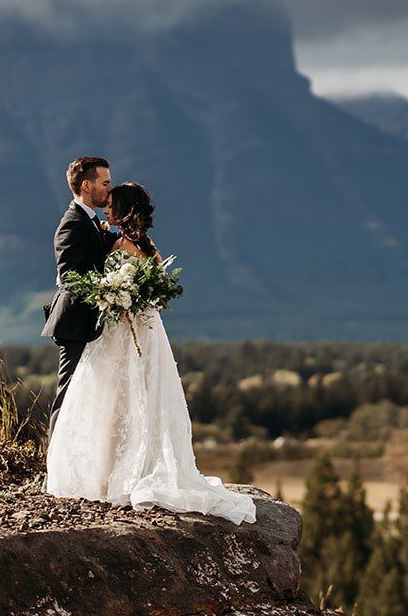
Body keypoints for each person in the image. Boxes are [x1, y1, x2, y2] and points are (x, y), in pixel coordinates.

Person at [44, 179, 257, 525]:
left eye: (112, 205)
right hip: (133, 329)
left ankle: (115, 474)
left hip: (124, 330)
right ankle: (116, 470)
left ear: (123, 210)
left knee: (119, 400)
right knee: (125, 400)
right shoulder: (141, 244)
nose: (107, 209)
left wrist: (117, 298)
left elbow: (140, 287)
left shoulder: (127, 245)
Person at [40, 156, 117, 438]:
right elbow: (70, 278)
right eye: (105, 183)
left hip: (91, 324)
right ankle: (55, 455)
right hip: (75, 324)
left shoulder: (91, 222)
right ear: (87, 186)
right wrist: (109, 290)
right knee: (69, 393)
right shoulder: (72, 224)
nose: (109, 188)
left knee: (88, 395)